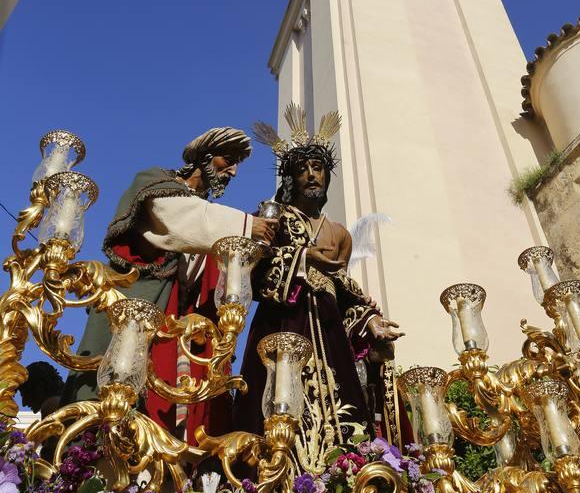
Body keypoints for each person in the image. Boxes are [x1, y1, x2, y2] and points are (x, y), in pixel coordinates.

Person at [62, 127, 278, 445]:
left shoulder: (207, 219)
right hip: (141, 313)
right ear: (204, 158)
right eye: (227, 160)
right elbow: (180, 220)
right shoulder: (156, 184)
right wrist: (246, 225)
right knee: (115, 405)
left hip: (184, 335)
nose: (232, 171)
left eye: (236, 165)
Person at [235, 105, 407, 471]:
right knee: (277, 409)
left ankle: (340, 475)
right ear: (290, 178)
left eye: (318, 169)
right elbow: (252, 273)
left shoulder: (339, 233)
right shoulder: (273, 216)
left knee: (343, 410)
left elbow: (344, 290)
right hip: (284, 323)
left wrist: (368, 320)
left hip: (328, 331)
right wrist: (302, 259)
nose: (311, 176)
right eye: (302, 170)